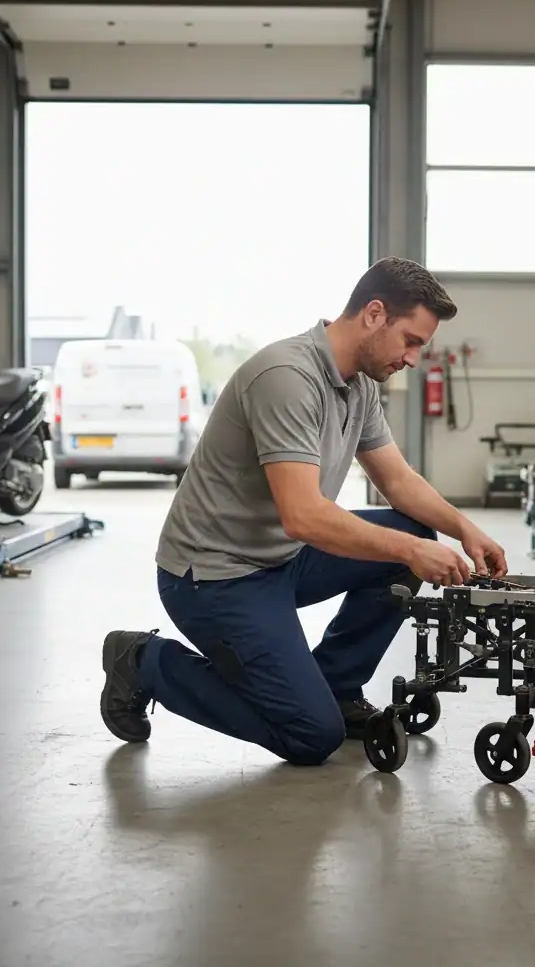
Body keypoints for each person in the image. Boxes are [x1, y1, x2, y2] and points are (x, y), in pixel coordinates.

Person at [99, 257, 508, 766]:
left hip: (283, 559)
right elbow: (304, 517)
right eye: (411, 341)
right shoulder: (287, 377)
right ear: (375, 314)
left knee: (412, 532)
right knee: (311, 735)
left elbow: (397, 480)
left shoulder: (358, 386)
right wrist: (414, 549)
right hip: (214, 578)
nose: (413, 358)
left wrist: (463, 529)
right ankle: (143, 661)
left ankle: (336, 685)